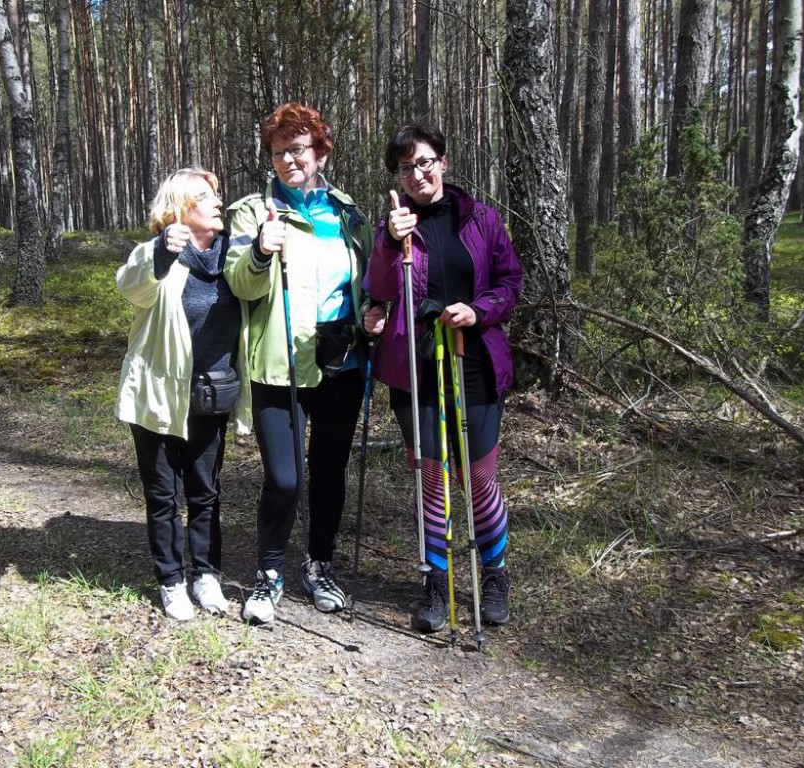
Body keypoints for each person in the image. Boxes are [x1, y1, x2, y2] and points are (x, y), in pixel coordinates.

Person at [363, 123, 523, 631]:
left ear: (444, 163)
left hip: (474, 358)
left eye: (425, 162)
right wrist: (391, 241)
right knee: (432, 479)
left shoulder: (481, 219)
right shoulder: (394, 227)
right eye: (407, 167)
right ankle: (436, 581)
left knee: (477, 477)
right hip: (416, 367)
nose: (417, 174)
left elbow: (510, 281)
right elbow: (379, 288)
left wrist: (479, 311)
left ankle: (493, 573)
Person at [224, 102, 373, 624]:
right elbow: (240, 283)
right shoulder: (252, 212)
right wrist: (261, 252)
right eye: (279, 151)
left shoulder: (347, 212)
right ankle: (267, 576)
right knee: (285, 478)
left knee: (330, 471)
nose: (290, 159)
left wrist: (374, 314)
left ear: (320, 151)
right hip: (277, 363)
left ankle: (319, 566)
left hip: (343, 362)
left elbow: (366, 281)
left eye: (299, 149)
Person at [116, 168, 249, 621]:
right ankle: (172, 581)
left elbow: (260, 276)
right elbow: (131, 284)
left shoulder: (232, 255)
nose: (218, 202)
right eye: (205, 196)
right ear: (179, 211)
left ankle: (206, 576)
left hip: (212, 394)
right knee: (163, 495)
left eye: (217, 194)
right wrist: (158, 251)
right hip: (158, 395)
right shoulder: (156, 256)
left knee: (205, 492)